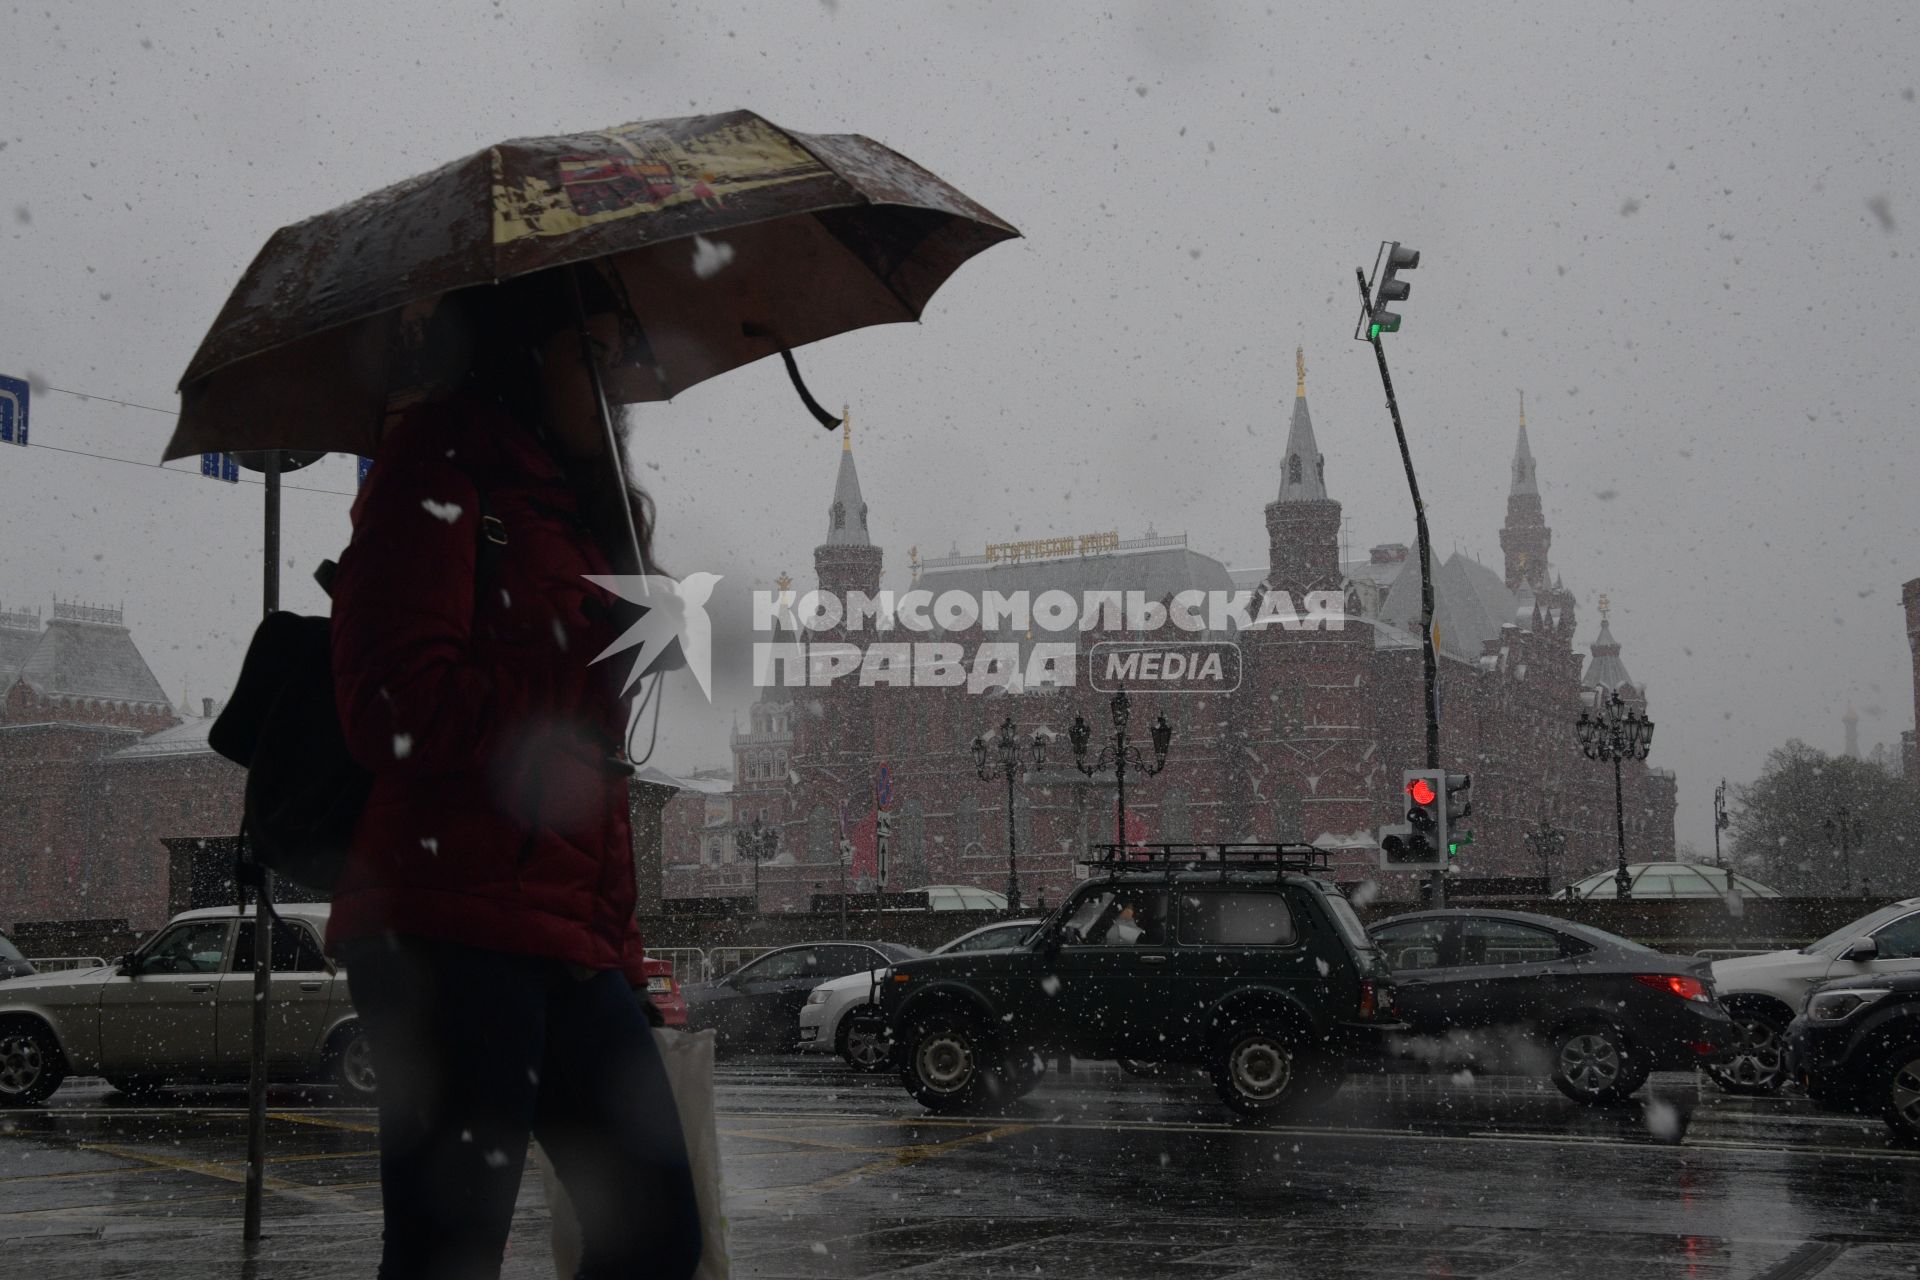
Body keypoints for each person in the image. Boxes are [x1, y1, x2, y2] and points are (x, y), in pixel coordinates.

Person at [326, 267, 702, 1280]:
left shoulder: (575, 512)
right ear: (522, 359)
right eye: (589, 354)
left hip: (566, 938)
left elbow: (586, 781)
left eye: (616, 353)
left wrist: (619, 950)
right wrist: (588, 650)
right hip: (446, 926)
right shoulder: (435, 471)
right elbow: (390, 704)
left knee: (659, 1235)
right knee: (451, 1253)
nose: (613, 380)